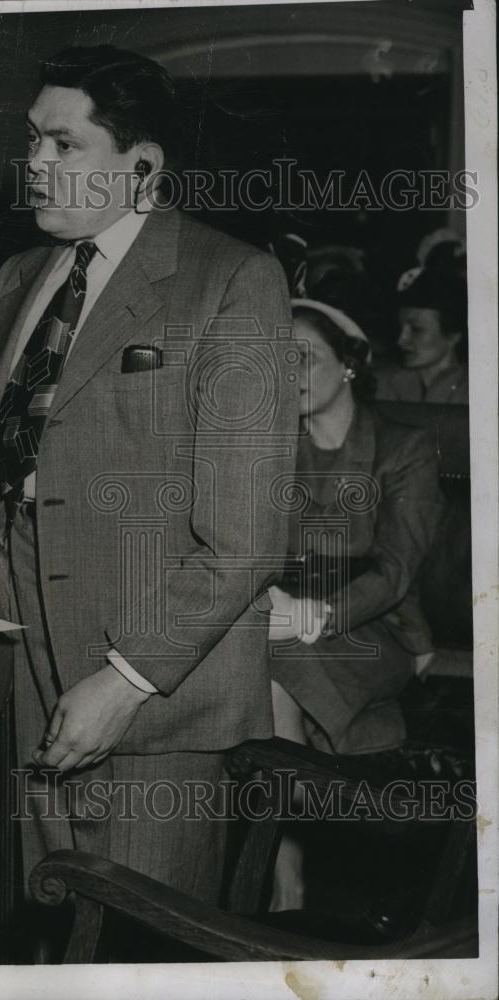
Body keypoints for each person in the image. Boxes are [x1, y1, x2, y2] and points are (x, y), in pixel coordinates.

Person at [0, 43, 299, 930]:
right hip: (20, 680)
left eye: (64, 145)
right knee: (42, 938)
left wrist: (124, 682)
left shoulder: (231, 282)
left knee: (137, 951)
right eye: (32, 139)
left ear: (142, 166)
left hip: (153, 700)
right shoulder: (18, 279)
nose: (35, 163)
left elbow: (244, 541)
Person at [266, 298, 443, 910]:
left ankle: (285, 867)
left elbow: (394, 574)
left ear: (349, 364)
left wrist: (313, 616)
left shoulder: (402, 448)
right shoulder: (273, 450)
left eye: (305, 357)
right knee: (250, 663)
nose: (289, 373)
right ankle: (288, 862)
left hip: (378, 629)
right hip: (288, 619)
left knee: (273, 668)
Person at [374, 265, 468, 405]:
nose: (401, 340)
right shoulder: (382, 384)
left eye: (416, 329)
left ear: (453, 335)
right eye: (400, 328)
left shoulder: (477, 389)